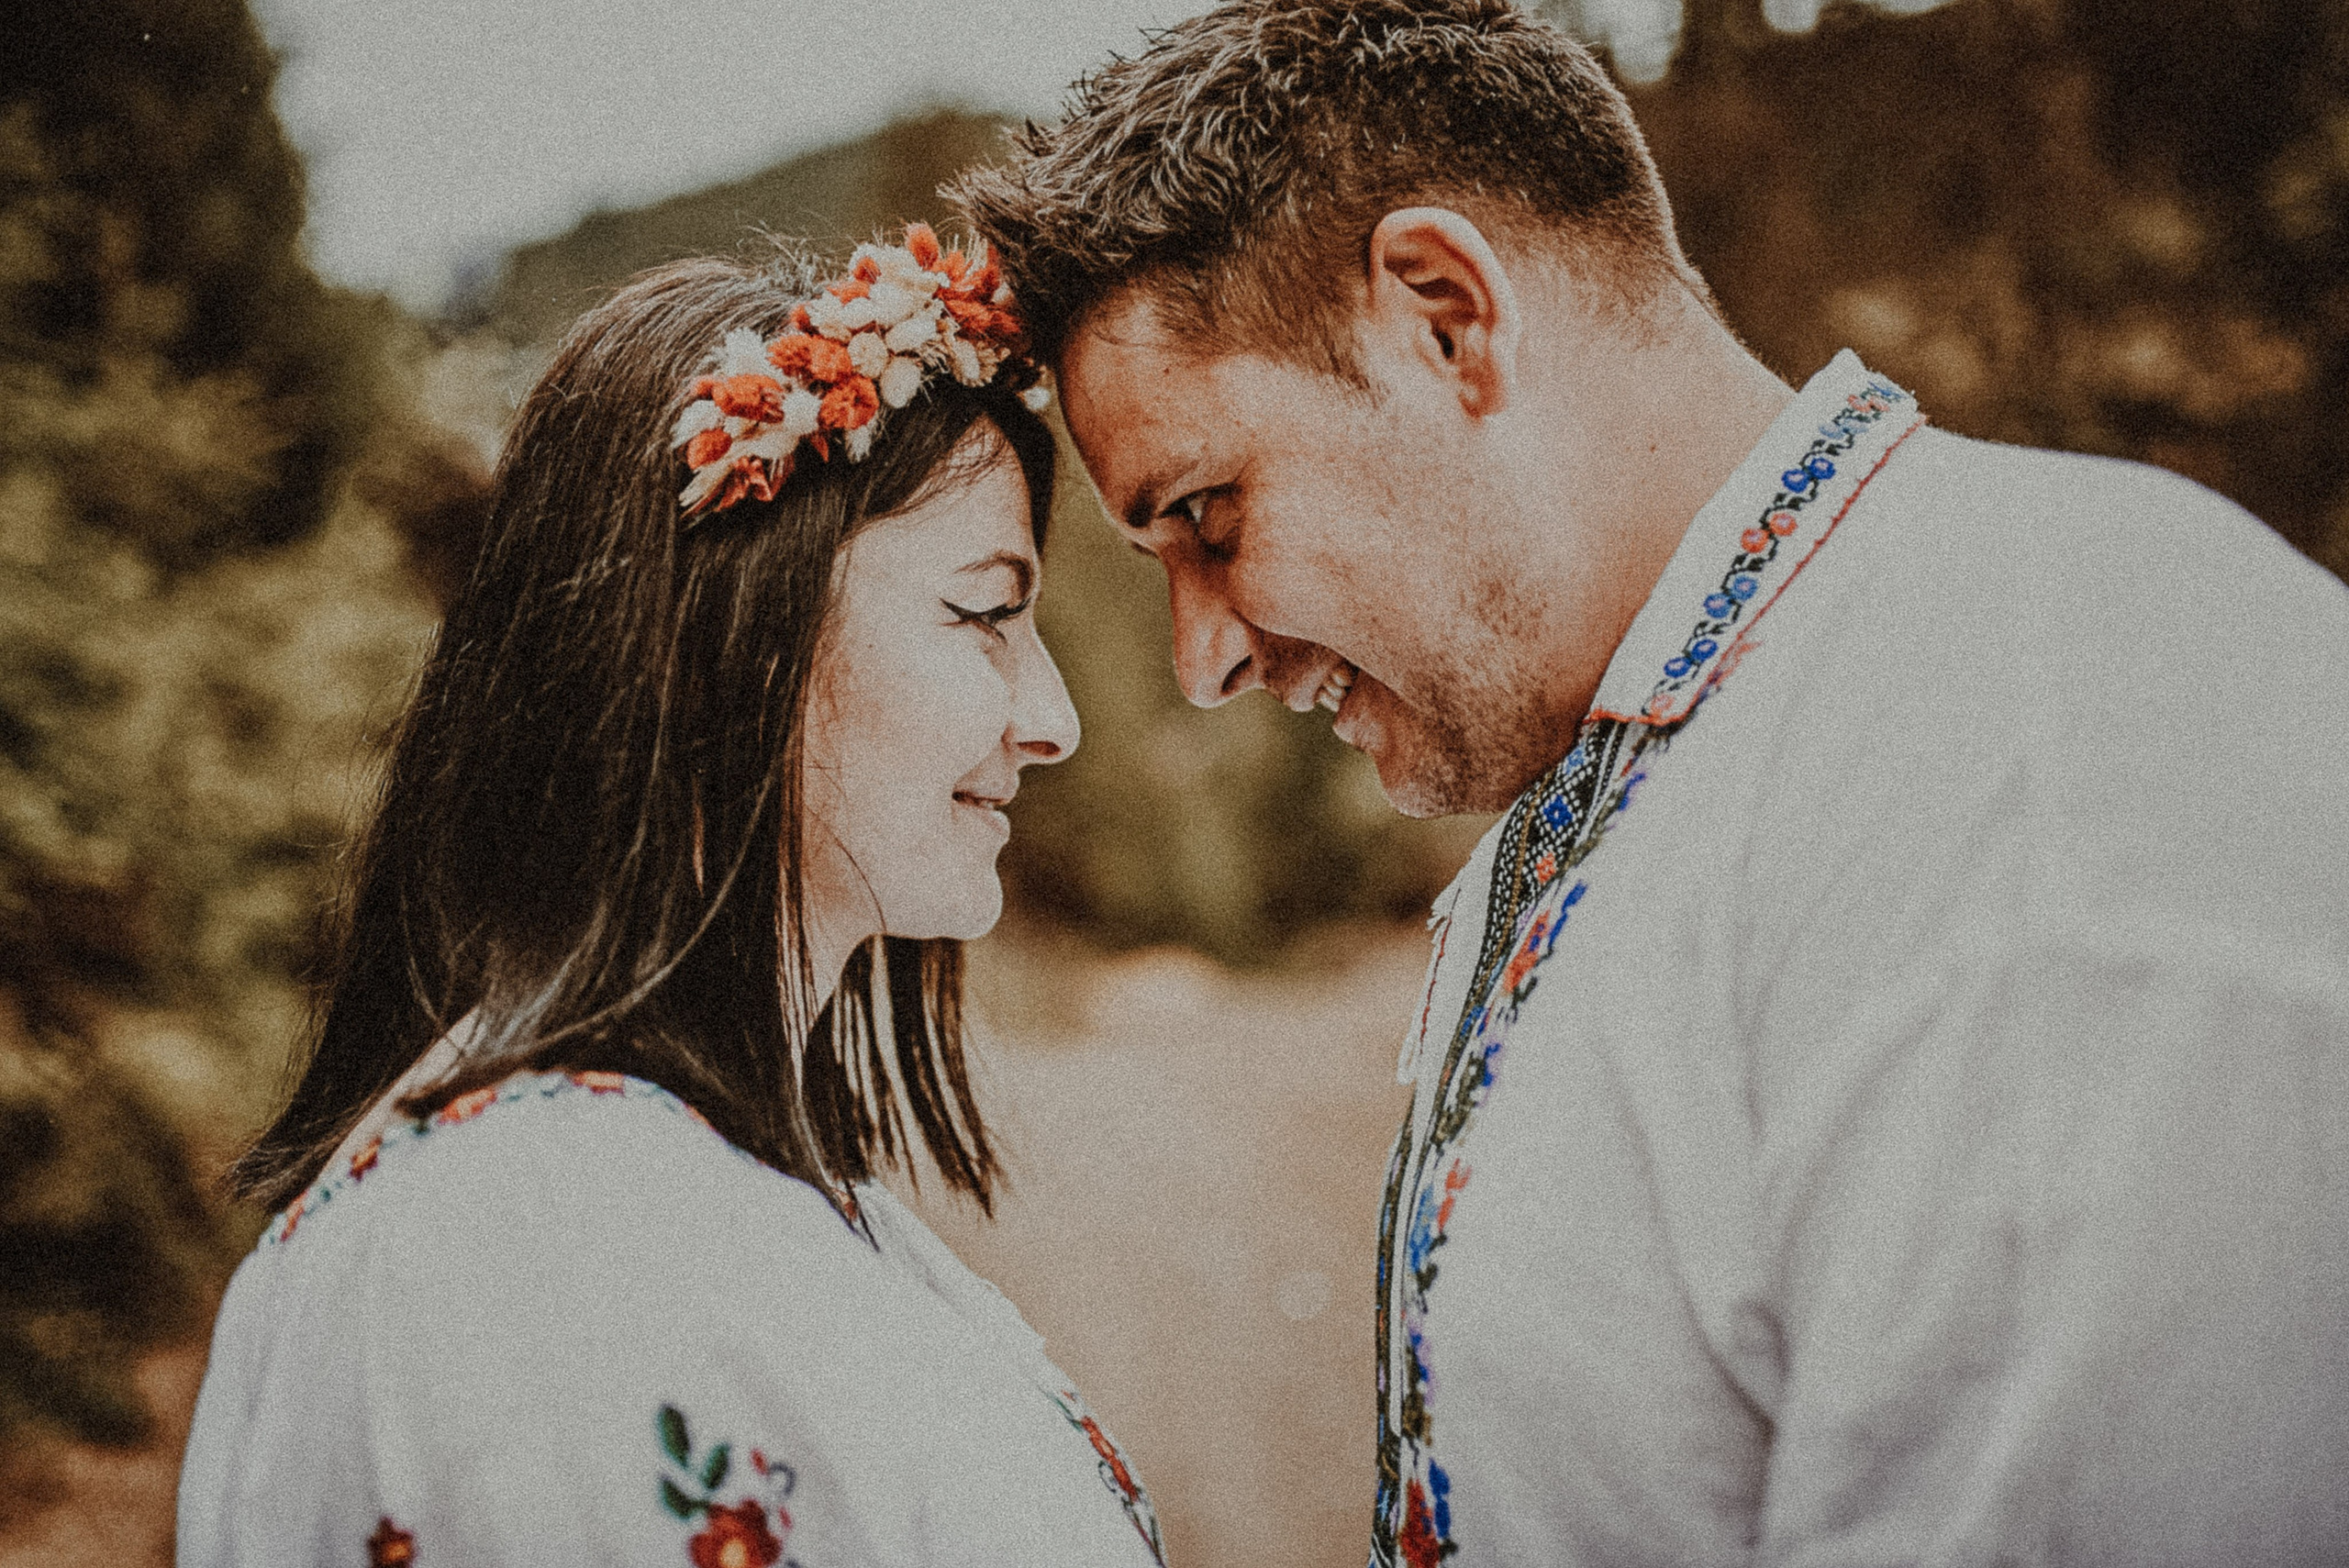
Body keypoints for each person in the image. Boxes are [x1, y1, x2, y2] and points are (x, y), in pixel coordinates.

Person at [952, 2, 2349, 1563]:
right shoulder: (1698, 734)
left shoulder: (2042, 735)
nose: (1201, 658)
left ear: (1443, 316)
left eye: (1208, 514)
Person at [176, 236, 1168, 1568]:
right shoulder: (533, 1261)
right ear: (725, 644)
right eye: (983, 612)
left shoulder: (682, 1189)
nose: (1052, 720)